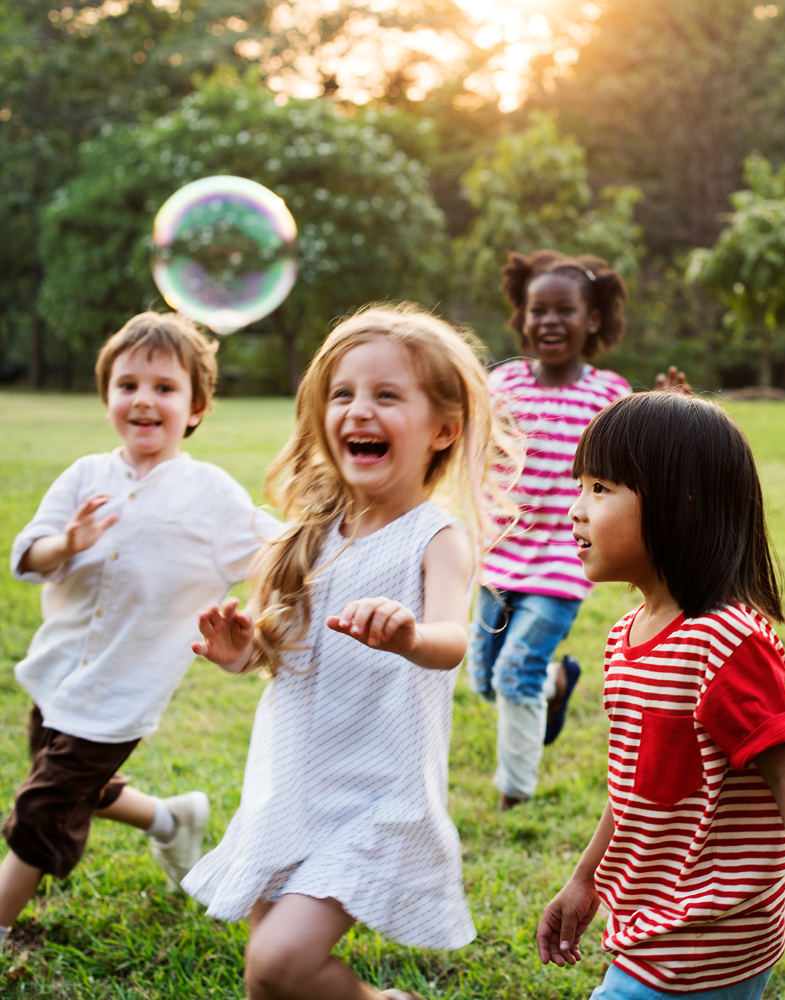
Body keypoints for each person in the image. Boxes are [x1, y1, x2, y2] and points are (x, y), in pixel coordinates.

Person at [182, 305, 519, 1000]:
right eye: (343, 394)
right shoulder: (309, 535)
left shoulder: (437, 537)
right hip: (291, 782)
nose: (359, 410)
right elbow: (286, 655)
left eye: (386, 395)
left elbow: (452, 641)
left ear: (443, 430)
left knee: (278, 963)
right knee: (268, 980)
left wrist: (408, 636)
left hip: (374, 795)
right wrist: (243, 652)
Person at [0, 311, 279, 950]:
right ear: (106, 399)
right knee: (83, 790)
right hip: (56, 676)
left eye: (164, 387)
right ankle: (170, 818)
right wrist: (67, 542)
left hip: (121, 696)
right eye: (127, 385)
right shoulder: (84, 477)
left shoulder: (209, 494)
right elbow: (29, 552)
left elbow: (276, 553)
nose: (143, 399)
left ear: (196, 405)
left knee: (42, 811)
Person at [536, 391, 785, 998]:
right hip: (654, 925)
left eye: (600, 489)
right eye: (581, 486)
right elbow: (639, 785)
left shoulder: (726, 641)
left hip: (704, 938)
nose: (576, 510)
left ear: (680, 506)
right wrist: (586, 879)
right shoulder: (626, 636)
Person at [468, 249, 633, 811]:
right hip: (499, 551)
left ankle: (514, 789)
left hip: (564, 559)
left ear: (592, 320)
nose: (549, 320)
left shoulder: (608, 392)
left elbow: (637, 453)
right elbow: (473, 443)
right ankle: (559, 683)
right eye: (538, 309)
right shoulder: (503, 383)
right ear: (522, 317)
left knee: (516, 670)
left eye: (565, 309)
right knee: (483, 679)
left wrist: (670, 407)